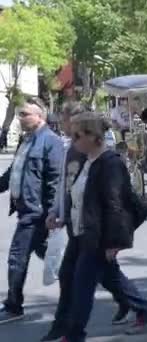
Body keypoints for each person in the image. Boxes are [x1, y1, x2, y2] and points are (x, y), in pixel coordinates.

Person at [40, 103, 147, 341]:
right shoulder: (86, 160)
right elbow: (76, 195)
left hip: (98, 237)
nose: (72, 140)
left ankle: (73, 335)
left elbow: (114, 207)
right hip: (80, 231)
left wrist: (113, 243)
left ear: (94, 137)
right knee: (80, 276)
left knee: (82, 287)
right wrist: (60, 215)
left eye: (77, 136)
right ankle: (144, 309)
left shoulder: (110, 163)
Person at [0, 97, 64, 324]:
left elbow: (56, 181)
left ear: (39, 116)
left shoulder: (51, 142)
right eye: (19, 114)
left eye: (24, 114)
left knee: (17, 258)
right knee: (55, 258)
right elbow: (14, 171)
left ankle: (13, 306)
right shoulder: (26, 141)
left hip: (36, 213)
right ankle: (99, 282)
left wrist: (53, 212)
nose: (20, 118)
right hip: (26, 210)